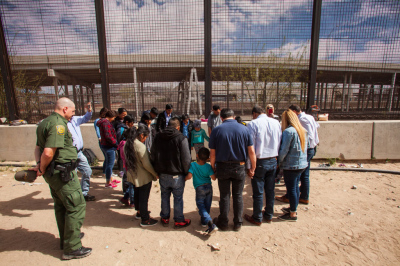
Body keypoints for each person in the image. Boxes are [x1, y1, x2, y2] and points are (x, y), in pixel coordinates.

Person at [30, 97, 91, 260]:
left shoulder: (44, 122)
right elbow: (48, 152)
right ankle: (72, 247)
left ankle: (67, 238)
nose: (73, 115)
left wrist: (39, 165)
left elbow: (38, 148)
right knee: (76, 205)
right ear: (64, 109)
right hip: (62, 173)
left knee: (61, 205)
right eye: (72, 111)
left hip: (53, 173)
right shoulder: (58, 125)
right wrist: (41, 168)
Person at [209, 108, 256, 231]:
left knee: (224, 195)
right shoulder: (244, 129)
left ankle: (223, 222)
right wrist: (252, 168)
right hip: (239, 166)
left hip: (222, 166)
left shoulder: (216, 130)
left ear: (221, 118)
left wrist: (212, 167)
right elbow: (251, 151)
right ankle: (237, 223)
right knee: (238, 195)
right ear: (233, 117)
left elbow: (212, 154)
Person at [150, 117, 192, 229]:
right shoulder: (181, 138)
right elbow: (186, 159)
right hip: (177, 175)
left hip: (163, 173)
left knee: (164, 196)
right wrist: (187, 172)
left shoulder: (158, 136)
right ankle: (178, 220)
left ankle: (165, 218)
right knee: (178, 198)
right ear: (178, 127)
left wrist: (155, 171)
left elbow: (153, 154)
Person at [243, 106, 281, 225]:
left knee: (258, 191)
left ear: (254, 114)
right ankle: (269, 215)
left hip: (259, 161)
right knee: (270, 190)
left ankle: (257, 217)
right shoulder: (276, 123)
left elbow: (251, 148)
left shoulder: (253, 124)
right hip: (273, 160)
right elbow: (280, 141)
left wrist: (250, 167)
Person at [276, 104, 319, 205]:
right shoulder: (309, 117)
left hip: (305, 151)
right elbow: (316, 128)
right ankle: (303, 197)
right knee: (303, 175)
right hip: (310, 149)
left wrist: (279, 162)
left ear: (293, 112)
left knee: (295, 180)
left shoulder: (300, 122)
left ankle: (293, 201)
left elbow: (285, 150)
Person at [124, 126, 159, 227]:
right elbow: (147, 164)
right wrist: (154, 173)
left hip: (133, 175)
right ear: (141, 135)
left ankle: (139, 212)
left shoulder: (127, 144)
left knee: (137, 194)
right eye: (145, 137)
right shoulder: (140, 146)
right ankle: (145, 219)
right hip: (143, 177)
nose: (145, 140)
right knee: (144, 198)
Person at [277, 109, 308, 222]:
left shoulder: (288, 132)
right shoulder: (302, 130)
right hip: (301, 164)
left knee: (291, 189)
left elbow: (284, 150)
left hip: (291, 165)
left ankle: (293, 214)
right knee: (295, 187)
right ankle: (292, 208)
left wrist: (278, 163)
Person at [185, 147, 218, 235]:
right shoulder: (208, 166)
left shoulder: (193, 165)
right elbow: (214, 178)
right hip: (209, 187)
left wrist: (183, 179)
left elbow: (189, 176)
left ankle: (210, 222)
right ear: (208, 158)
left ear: (197, 155)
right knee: (207, 205)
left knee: (201, 206)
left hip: (199, 188)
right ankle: (204, 223)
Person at [67, 102, 95, 202]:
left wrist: (89, 110)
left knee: (87, 171)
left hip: (79, 152)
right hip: (69, 154)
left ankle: (84, 193)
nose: (74, 113)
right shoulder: (61, 123)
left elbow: (86, 118)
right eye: (72, 111)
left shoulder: (74, 120)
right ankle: (73, 196)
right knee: (72, 175)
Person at [97, 110, 120, 188]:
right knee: (110, 165)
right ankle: (108, 182)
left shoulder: (103, 122)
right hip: (109, 146)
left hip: (105, 145)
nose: (113, 119)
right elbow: (108, 136)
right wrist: (116, 143)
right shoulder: (105, 123)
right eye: (113, 117)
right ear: (111, 117)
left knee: (108, 163)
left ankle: (110, 179)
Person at [118, 130, 134, 208]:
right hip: (129, 167)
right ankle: (132, 201)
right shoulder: (126, 145)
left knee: (131, 184)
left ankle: (125, 198)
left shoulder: (122, 143)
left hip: (126, 166)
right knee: (132, 185)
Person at [114, 108, 128, 177]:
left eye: (125, 115)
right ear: (119, 114)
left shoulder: (127, 121)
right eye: (123, 115)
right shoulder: (116, 122)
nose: (124, 116)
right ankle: (121, 170)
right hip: (119, 142)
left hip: (126, 141)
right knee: (120, 156)